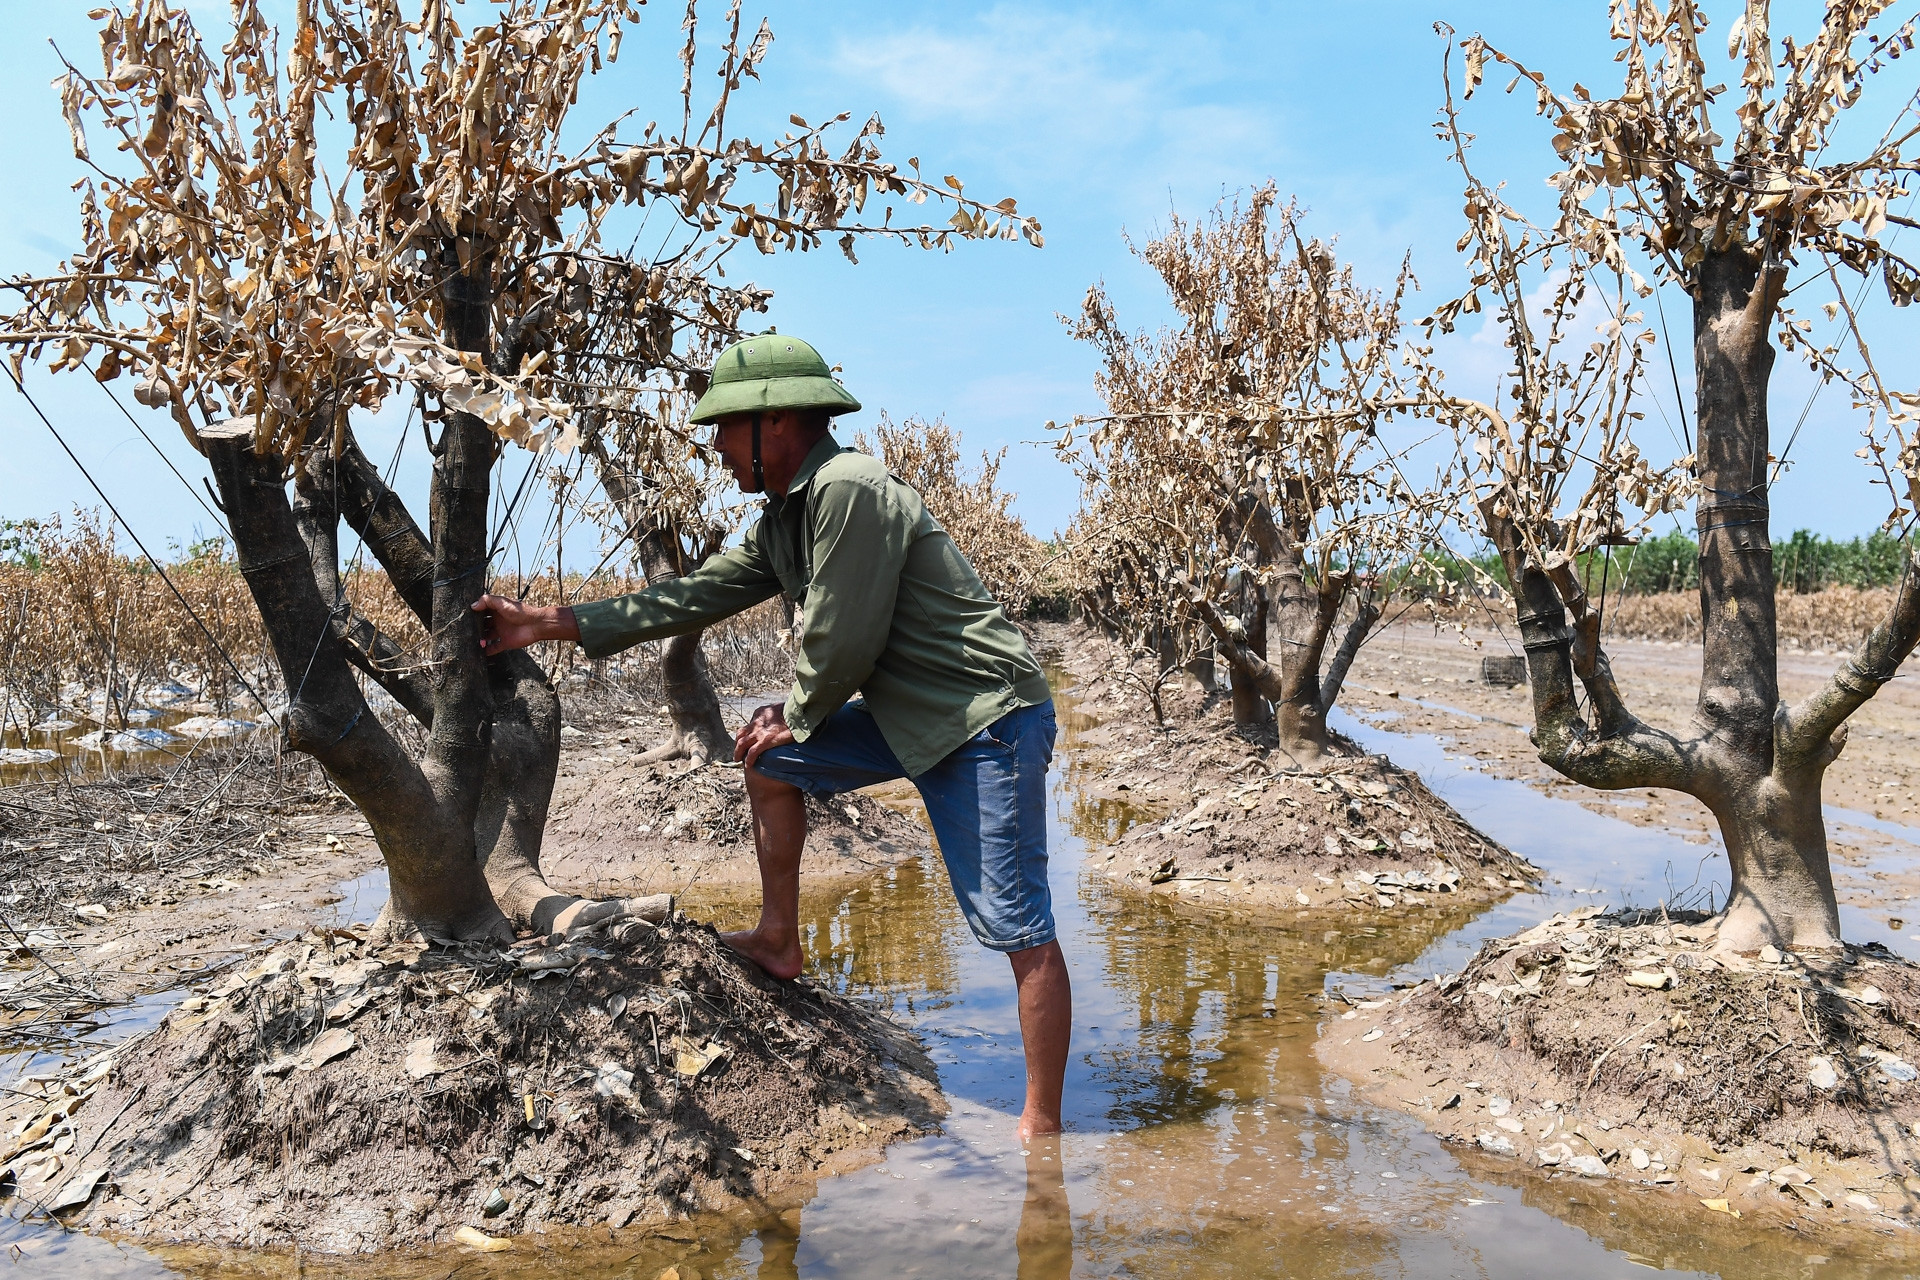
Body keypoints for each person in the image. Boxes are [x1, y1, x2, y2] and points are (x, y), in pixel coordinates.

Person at [472, 334, 1071, 1138]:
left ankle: (1044, 1133)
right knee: (773, 757)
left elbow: (844, 634)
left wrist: (797, 704)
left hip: (983, 719)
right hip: (909, 717)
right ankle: (780, 938)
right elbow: (691, 596)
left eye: (725, 430)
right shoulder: (784, 518)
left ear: (776, 422)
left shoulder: (848, 487)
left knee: (1017, 926)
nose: (716, 449)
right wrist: (547, 625)